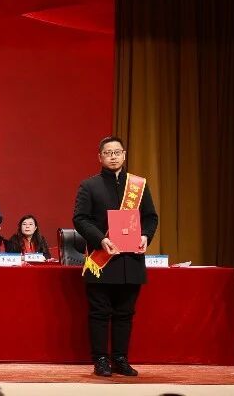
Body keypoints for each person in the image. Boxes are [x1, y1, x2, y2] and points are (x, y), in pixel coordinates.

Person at [72, 136, 159, 378]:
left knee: (125, 313)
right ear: (100, 157)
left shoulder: (138, 185)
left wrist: (145, 236)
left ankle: (121, 358)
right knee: (99, 312)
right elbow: (80, 219)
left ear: (124, 155)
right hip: (101, 259)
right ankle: (101, 359)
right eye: (108, 153)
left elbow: (150, 217)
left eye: (117, 152)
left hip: (131, 260)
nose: (113, 156)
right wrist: (101, 239)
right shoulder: (89, 186)